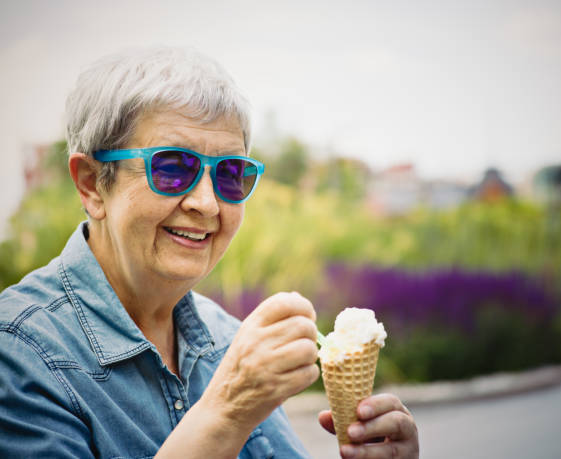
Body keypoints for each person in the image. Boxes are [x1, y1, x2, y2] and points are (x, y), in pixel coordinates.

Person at [0, 46, 419, 458]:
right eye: (172, 167)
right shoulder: (19, 353)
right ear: (92, 183)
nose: (207, 203)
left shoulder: (228, 339)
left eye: (230, 173)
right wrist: (226, 412)